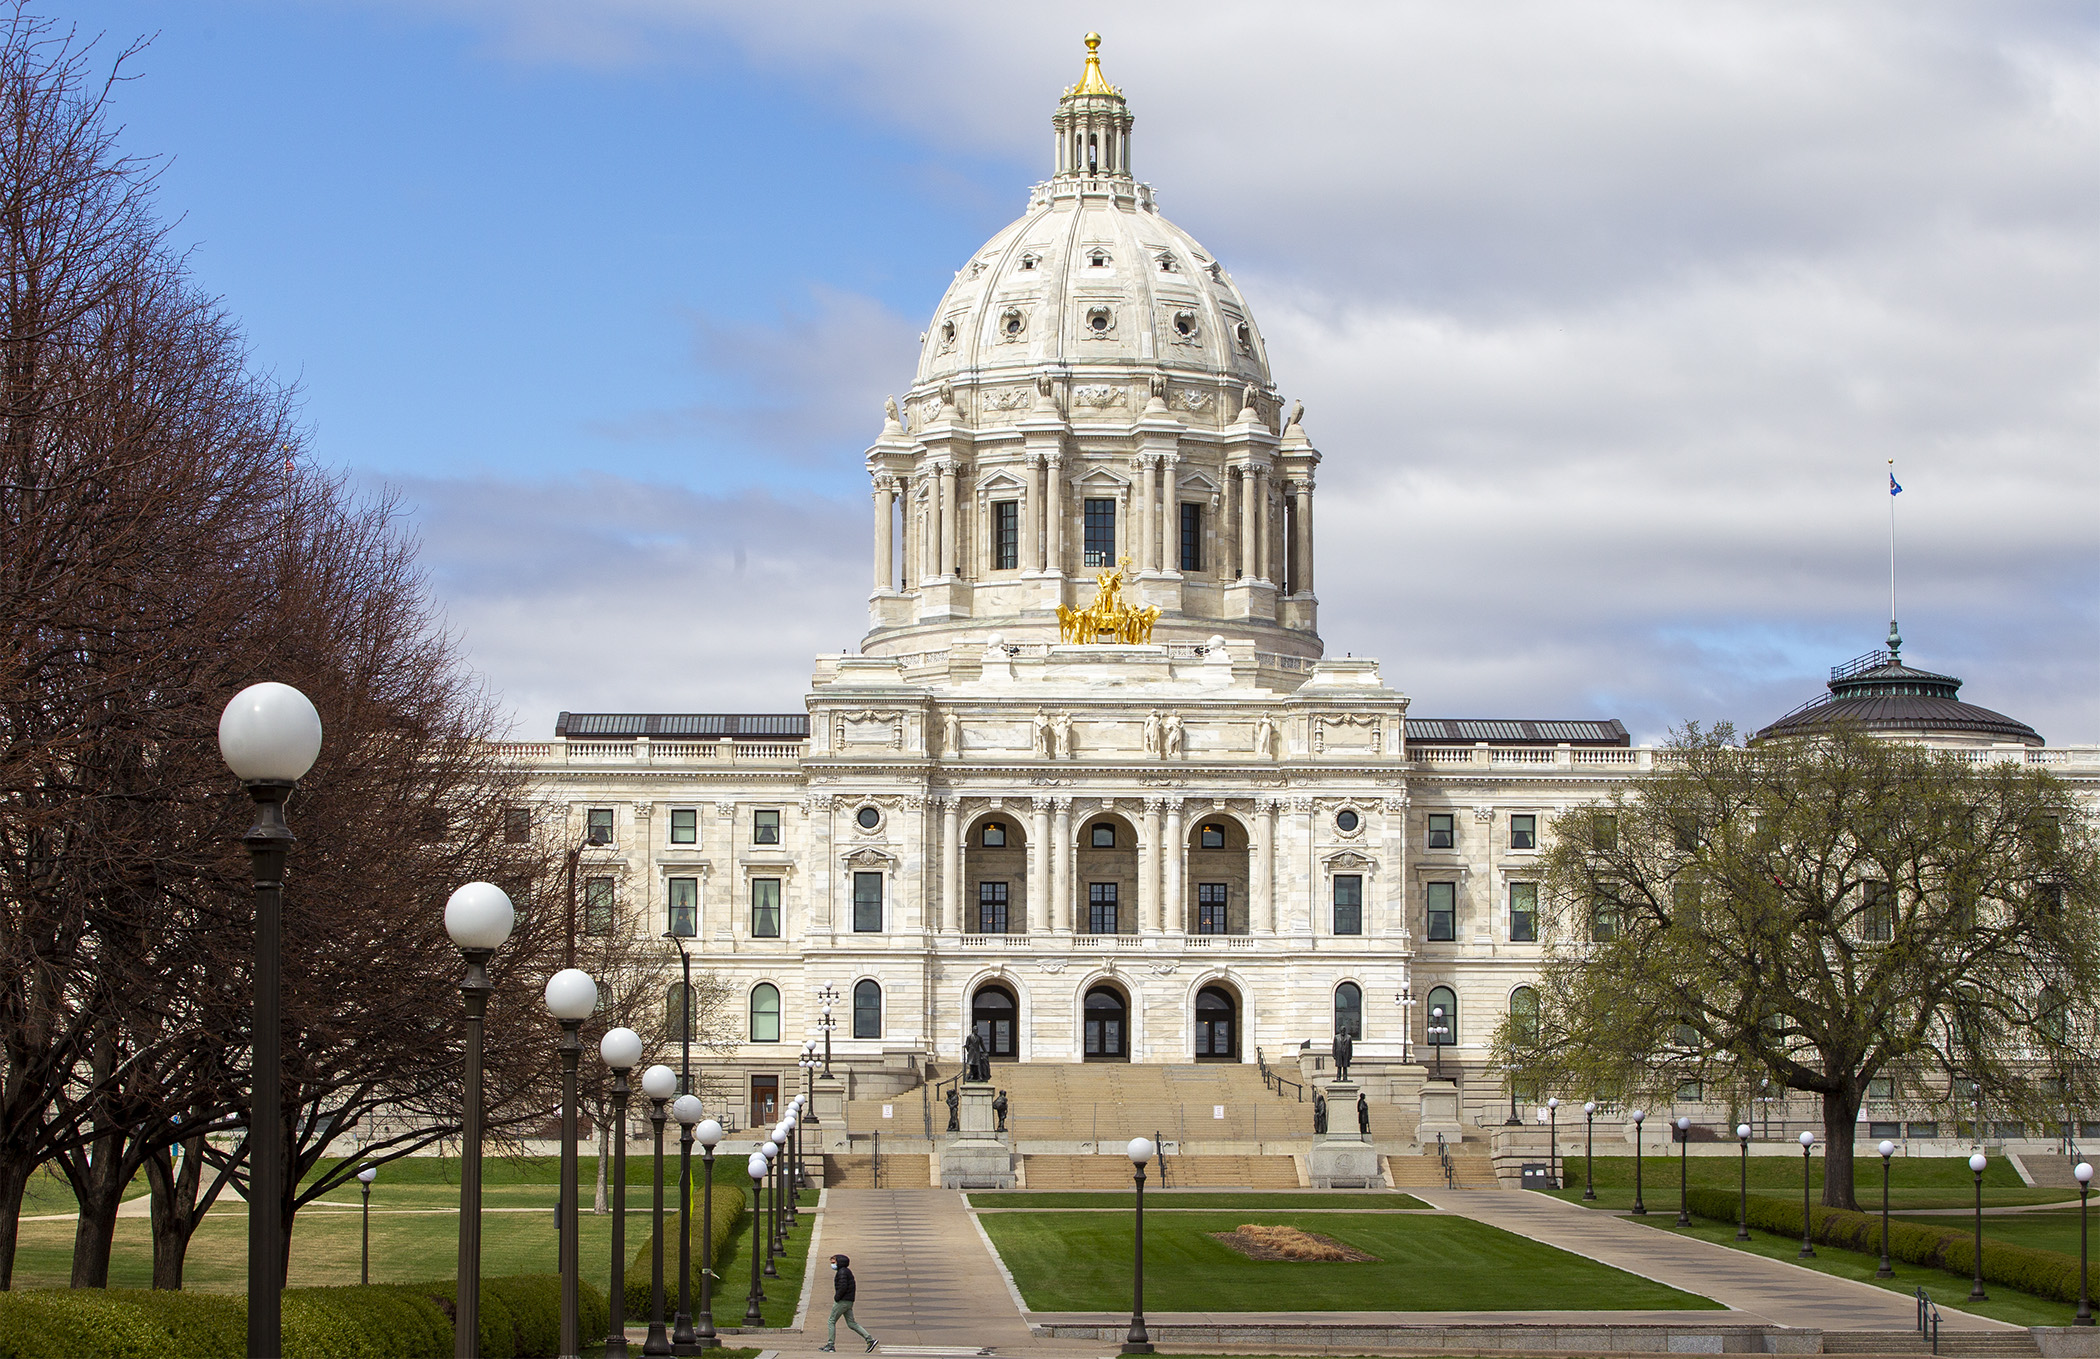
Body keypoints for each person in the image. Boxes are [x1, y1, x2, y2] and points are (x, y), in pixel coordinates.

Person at [822, 1253, 877, 1352]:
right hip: (848, 1301)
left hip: (842, 1301)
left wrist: (837, 1297)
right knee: (851, 1323)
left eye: (834, 1262)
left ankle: (830, 1344)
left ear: (839, 1262)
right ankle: (869, 1339)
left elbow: (843, 1286)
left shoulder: (842, 1272)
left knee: (831, 1321)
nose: (832, 1265)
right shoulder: (846, 1271)